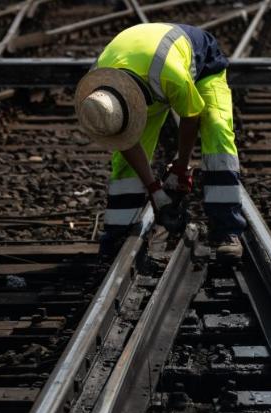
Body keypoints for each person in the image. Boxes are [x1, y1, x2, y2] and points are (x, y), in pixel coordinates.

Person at [74, 23, 246, 260]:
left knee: (217, 131)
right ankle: (118, 234)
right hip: (140, 78)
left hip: (202, 65)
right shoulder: (98, 90)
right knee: (123, 164)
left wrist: (181, 168)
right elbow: (126, 142)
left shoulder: (171, 75)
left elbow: (190, 117)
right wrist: (155, 191)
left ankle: (227, 230)